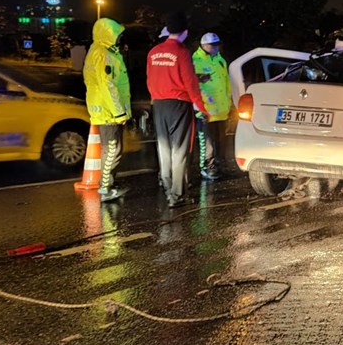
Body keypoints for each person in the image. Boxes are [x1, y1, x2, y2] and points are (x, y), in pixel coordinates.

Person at [146, 12, 208, 208]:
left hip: (159, 104)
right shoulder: (181, 52)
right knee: (180, 149)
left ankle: (167, 187)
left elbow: (149, 78)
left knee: (164, 147)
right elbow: (190, 83)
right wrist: (201, 107)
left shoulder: (154, 52)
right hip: (179, 104)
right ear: (185, 32)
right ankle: (177, 195)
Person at [82, 17, 132, 203]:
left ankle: (109, 183)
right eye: (116, 34)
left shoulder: (103, 52)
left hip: (106, 109)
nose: (119, 38)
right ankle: (105, 188)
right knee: (112, 149)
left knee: (112, 149)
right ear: (108, 35)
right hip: (108, 111)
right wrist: (119, 112)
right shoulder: (103, 54)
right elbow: (107, 86)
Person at [192, 31, 232, 181]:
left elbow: (226, 82)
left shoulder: (220, 60)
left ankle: (218, 165)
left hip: (222, 110)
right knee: (207, 142)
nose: (216, 48)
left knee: (221, 140)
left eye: (217, 45)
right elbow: (193, 86)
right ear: (204, 46)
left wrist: (229, 102)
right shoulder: (196, 61)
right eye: (213, 45)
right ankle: (206, 167)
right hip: (206, 110)